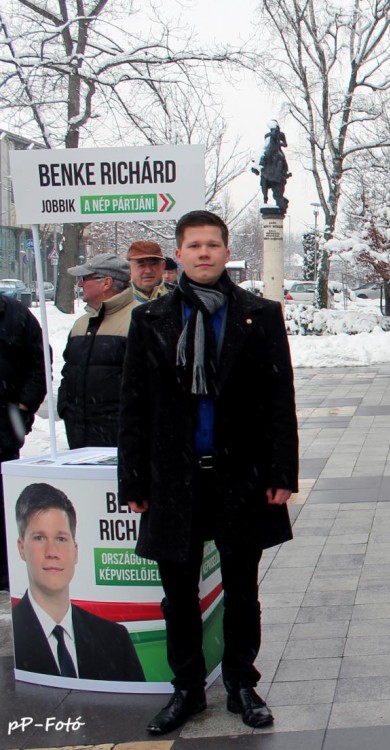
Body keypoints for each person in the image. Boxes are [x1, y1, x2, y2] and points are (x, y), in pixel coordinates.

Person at [119, 210, 298, 734]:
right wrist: (132, 481)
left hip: (238, 476)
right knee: (179, 594)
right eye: (193, 245)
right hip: (172, 480)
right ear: (179, 253)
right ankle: (188, 689)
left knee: (243, 589)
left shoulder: (259, 315)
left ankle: (242, 683)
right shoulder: (150, 319)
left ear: (225, 252)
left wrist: (281, 472)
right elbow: (134, 406)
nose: (203, 253)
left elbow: (277, 400)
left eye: (212, 245)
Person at [12, 483, 145, 681]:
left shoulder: (115, 639)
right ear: (21, 548)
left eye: (61, 539)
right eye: (39, 538)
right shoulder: (14, 636)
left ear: (75, 551)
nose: (51, 552)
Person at [56, 254, 137, 449]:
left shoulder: (138, 320)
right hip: (79, 434)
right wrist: (66, 408)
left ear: (106, 283)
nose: (80, 285)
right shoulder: (81, 323)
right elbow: (69, 371)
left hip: (121, 437)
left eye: (85, 278)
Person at [0, 293, 47, 591]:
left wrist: (23, 407)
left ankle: (5, 571)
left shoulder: (16, 317)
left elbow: (40, 363)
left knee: (3, 505)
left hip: (2, 431)